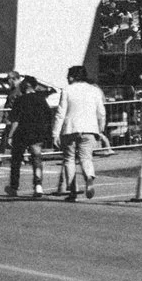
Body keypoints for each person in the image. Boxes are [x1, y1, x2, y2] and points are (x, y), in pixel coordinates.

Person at [53, 65, 108, 202]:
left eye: (68, 76)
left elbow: (60, 113)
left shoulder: (67, 90)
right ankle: (89, 177)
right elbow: (101, 112)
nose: (67, 78)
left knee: (69, 159)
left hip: (70, 128)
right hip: (90, 128)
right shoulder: (95, 90)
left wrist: (55, 133)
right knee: (86, 158)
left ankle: (73, 190)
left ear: (72, 77)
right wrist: (100, 128)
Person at [3, 75, 56, 197]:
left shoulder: (20, 100)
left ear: (26, 86)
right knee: (36, 158)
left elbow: (15, 120)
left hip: (22, 132)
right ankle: (38, 185)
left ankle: (14, 186)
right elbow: (48, 116)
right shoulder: (41, 99)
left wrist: (10, 136)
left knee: (16, 160)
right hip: (37, 132)